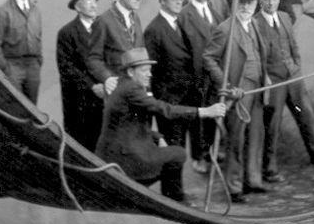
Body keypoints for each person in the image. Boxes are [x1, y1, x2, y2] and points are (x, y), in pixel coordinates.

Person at [95, 47, 227, 202]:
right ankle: (153, 193)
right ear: (131, 72)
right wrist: (204, 111)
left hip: (116, 151)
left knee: (168, 152)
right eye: (144, 70)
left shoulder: (123, 85)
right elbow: (164, 109)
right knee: (178, 153)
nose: (149, 74)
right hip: (123, 156)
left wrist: (158, 137)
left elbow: (131, 122)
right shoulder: (131, 88)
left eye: (150, 70)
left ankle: (162, 194)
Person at [255, 0, 314, 182]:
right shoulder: (255, 23)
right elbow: (256, 56)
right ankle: (269, 168)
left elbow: (294, 47)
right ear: (260, 1)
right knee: (272, 125)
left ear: (278, 0)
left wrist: (297, 69)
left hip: (293, 79)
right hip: (274, 83)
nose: (271, 3)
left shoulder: (284, 17)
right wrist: (265, 78)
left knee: (305, 116)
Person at [203, 0, 271, 202]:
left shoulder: (255, 25)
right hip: (238, 92)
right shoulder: (225, 28)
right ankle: (234, 187)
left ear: (256, 5)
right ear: (235, 4)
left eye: (249, 3)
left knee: (255, 137)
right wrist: (226, 84)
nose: (245, 7)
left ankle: (253, 180)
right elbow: (209, 58)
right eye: (241, 3)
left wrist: (266, 77)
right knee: (236, 140)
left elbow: (261, 55)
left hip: (258, 89)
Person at [143, 0, 207, 178]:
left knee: (187, 144)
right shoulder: (154, 30)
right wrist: (156, 99)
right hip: (170, 101)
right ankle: (174, 196)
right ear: (162, 1)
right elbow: (148, 70)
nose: (179, 2)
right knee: (174, 149)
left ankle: (177, 192)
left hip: (189, 96)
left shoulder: (181, 23)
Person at [56, 0, 106, 148]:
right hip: (78, 101)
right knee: (80, 144)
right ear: (78, 7)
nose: (93, 5)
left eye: (94, 1)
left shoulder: (104, 28)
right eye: (88, 1)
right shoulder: (66, 33)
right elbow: (67, 68)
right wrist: (92, 86)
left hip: (103, 98)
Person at [180, 0, 220, 173]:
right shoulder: (184, 14)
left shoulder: (213, 11)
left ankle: (210, 150)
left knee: (213, 113)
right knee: (197, 118)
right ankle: (198, 157)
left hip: (212, 74)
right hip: (195, 75)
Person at [87, 0, 147, 96]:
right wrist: (107, 78)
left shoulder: (135, 17)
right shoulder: (103, 21)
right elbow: (93, 59)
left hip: (137, 88)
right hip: (117, 90)